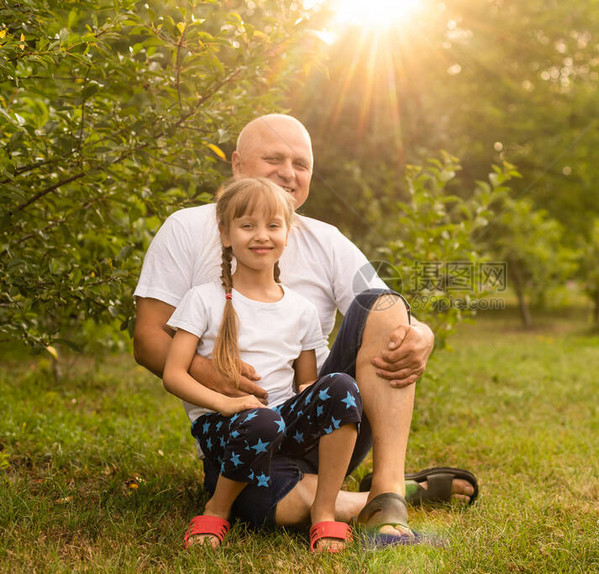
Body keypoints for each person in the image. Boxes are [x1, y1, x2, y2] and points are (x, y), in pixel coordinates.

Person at [133, 114, 477, 541]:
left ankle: (387, 492)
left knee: (384, 304)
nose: (288, 173)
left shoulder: (325, 239)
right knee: (285, 508)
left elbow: (385, 311)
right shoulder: (187, 228)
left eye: (301, 163)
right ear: (237, 165)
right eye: (273, 158)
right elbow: (148, 337)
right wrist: (214, 377)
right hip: (243, 432)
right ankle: (398, 494)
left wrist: (421, 332)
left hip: (319, 423)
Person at [163, 177, 359, 552]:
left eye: (273, 225)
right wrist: (227, 404)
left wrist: (313, 400)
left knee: (340, 387)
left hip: (281, 420)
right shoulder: (202, 300)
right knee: (263, 420)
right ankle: (216, 510)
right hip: (223, 426)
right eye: (247, 225)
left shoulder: (301, 309)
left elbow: (306, 383)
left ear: (288, 234)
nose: (261, 236)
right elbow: (173, 375)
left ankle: (324, 512)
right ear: (226, 234)